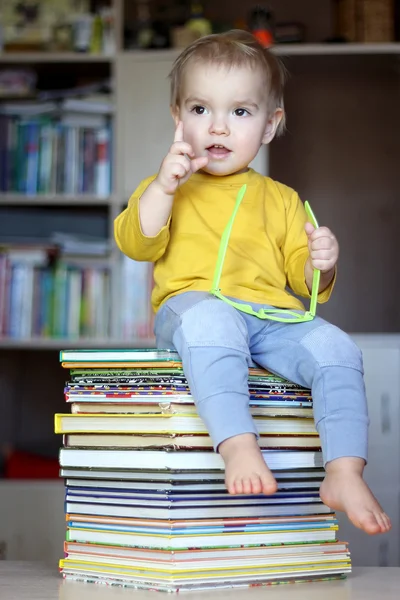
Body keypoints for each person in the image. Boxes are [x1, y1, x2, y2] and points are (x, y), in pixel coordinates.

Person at [114, 29, 391, 536]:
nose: (218, 126)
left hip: (268, 317)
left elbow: (302, 280)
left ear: (269, 125)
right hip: (191, 309)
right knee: (215, 320)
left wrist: (322, 263)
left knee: (337, 348)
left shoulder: (282, 199)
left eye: (240, 112)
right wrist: (161, 188)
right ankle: (239, 445)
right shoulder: (168, 187)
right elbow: (137, 243)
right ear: (178, 117)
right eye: (200, 110)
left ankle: (344, 471)